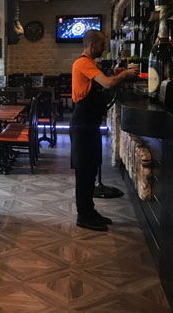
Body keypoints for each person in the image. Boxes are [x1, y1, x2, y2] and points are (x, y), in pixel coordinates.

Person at [70, 29, 138, 231]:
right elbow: (107, 83)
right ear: (92, 45)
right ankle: (83, 216)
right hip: (82, 123)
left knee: (91, 168)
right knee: (84, 171)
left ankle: (90, 211)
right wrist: (125, 74)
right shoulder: (82, 63)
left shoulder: (91, 64)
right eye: (102, 45)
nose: (104, 48)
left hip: (89, 123)